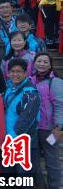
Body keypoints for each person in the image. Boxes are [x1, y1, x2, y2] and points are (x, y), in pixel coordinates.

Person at [3, 58, 40, 179]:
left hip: (23, 141)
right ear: (8, 73)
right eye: (12, 71)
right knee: (10, 175)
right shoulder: (10, 88)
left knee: (23, 177)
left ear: (25, 73)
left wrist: (14, 138)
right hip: (10, 140)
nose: (15, 74)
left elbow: (27, 118)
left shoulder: (30, 93)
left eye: (19, 71)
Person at [30, 53, 62, 189]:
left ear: (50, 65)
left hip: (49, 129)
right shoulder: (30, 80)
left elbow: (60, 105)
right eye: (39, 61)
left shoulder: (55, 82)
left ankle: (54, 186)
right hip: (33, 128)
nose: (41, 64)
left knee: (52, 160)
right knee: (34, 161)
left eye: (45, 62)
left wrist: (59, 126)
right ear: (34, 63)